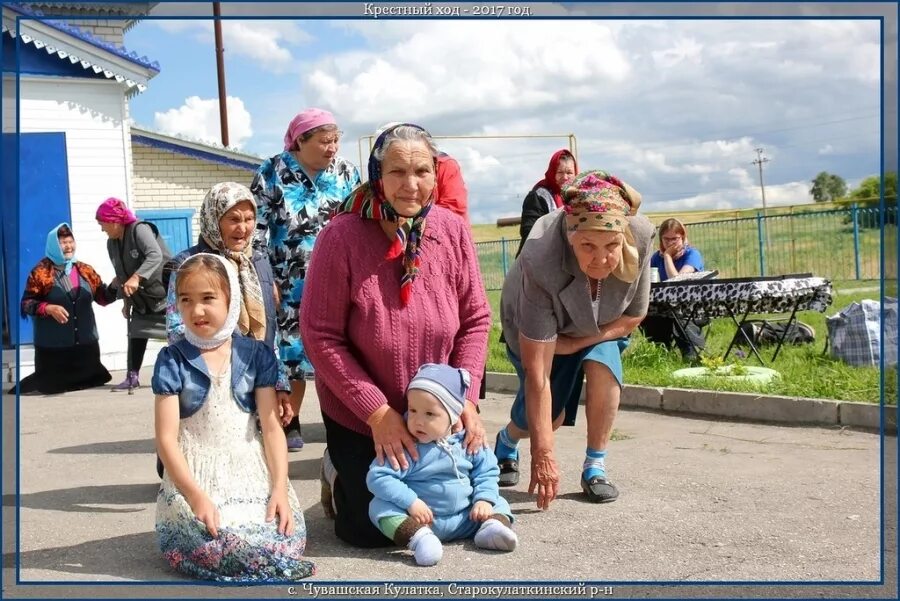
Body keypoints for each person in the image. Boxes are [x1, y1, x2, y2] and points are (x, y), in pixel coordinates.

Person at [299, 123, 491, 548]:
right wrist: (379, 415)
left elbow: (475, 320)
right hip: (362, 414)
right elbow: (320, 336)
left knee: (450, 514)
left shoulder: (451, 230)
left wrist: (467, 400)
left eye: (422, 172)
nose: (411, 185)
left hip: (437, 409)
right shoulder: (341, 236)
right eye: (397, 172)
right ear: (376, 176)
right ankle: (337, 466)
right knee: (370, 530)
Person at [495, 170, 654, 509]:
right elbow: (538, 373)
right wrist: (543, 451)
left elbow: (634, 316)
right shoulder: (541, 258)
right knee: (546, 421)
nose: (601, 259)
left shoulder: (641, 235)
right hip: (537, 325)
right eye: (588, 246)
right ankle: (508, 440)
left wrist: (580, 343)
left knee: (603, 365)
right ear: (570, 236)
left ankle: (595, 466)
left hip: (602, 324)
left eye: (612, 245)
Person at [152, 253, 314, 582]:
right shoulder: (172, 359)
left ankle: (252, 553)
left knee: (279, 537)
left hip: (249, 469)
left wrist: (280, 489)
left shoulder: (255, 354)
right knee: (209, 538)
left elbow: (270, 429)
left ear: (231, 298)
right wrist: (195, 495)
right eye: (186, 300)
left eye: (208, 298)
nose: (196, 310)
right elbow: (166, 439)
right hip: (196, 474)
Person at [251, 108, 361, 450]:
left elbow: (360, 220)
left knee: (341, 347)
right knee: (291, 350)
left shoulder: (346, 172)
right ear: (300, 141)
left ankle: (343, 420)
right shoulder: (272, 171)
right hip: (288, 278)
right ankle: (290, 418)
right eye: (325, 142)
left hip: (339, 274)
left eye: (336, 141)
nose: (333, 149)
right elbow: (256, 229)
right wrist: (263, 275)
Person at [163, 182, 293, 426]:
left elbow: (270, 334)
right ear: (214, 219)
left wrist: (279, 382)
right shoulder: (189, 265)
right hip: (209, 386)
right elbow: (177, 330)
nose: (243, 228)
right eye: (233, 219)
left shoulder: (258, 263)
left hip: (259, 381)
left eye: (249, 218)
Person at [366, 363, 517, 567]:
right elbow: (379, 477)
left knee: (499, 501)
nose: (418, 421)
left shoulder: (468, 442)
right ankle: (419, 539)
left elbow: (487, 471)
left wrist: (484, 500)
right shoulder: (408, 447)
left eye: (429, 414)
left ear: (454, 416)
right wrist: (411, 502)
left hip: (468, 517)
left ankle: (490, 529)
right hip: (423, 519)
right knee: (379, 507)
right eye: (412, 410)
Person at [11, 223, 114, 394]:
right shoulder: (41, 272)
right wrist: (47, 308)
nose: (68, 246)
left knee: (90, 384)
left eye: (70, 241)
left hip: (86, 351)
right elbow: (27, 304)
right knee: (52, 387)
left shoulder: (85, 270)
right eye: (62, 243)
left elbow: (102, 297)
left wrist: (115, 287)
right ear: (53, 245)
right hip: (54, 352)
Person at [96, 198, 172, 391]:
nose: (102, 228)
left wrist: (137, 277)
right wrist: (127, 300)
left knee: (177, 334)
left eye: (102, 223)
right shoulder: (111, 243)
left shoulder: (140, 230)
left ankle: (183, 372)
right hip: (140, 299)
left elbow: (154, 255)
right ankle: (132, 377)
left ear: (114, 220)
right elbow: (122, 273)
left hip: (163, 295)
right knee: (135, 333)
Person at [640, 218, 706, 361]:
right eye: (666, 239)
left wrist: (668, 257)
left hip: (692, 307)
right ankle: (661, 352)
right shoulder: (656, 257)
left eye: (675, 239)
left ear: (683, 238)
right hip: (664, 307)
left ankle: (691, 356)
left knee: (678, 314)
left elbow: (677, 282)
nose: (670, 243)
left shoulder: (692, 255)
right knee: (645, 313)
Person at [516, 149, 578, 257]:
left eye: (569, 173)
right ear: (552, 172)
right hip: (537, 259)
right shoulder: (538, 196)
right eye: (560, 172)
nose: (565, 177)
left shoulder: (577, 197)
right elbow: (529, 232)